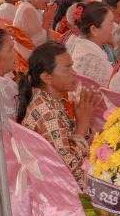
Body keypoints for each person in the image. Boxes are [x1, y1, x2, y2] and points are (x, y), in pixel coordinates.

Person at [18, 42, 101, 187]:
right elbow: (68, 169)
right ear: (47, 77)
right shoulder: (47, 111)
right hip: (66, 190)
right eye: (67, 69)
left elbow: (69, 140)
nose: (74, 73)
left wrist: (82, 118)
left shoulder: (49, 99)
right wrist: (83, 123)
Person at [67, 2, 116, 88]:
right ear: (94, 30)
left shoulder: (86, 48)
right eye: (111, 23)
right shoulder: (91, 59)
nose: (114, 27)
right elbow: (114, 88)